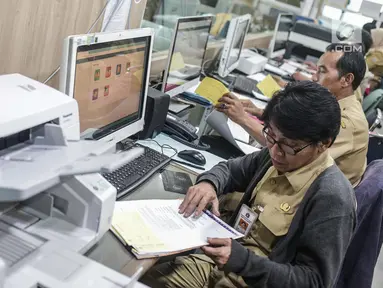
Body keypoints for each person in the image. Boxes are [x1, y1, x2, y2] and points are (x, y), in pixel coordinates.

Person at [142, 81, 356, 288]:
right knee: (137, 276)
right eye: (271, 136)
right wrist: (209, 184)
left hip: (251, 276)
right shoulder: (274, 156)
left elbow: (313, 282)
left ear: (324, 144)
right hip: (222, 267)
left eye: (291, 146)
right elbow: (229, 170)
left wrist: (243, 261)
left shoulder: (331, 198)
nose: (275, 151)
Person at [220, 43, 369, 187]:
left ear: (347, 79)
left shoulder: (347, 122)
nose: (314, 78)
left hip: (306, 197)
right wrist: (265, 114)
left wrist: (243, 119)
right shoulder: (333, 105)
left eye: (322, 71)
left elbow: (293, 151)